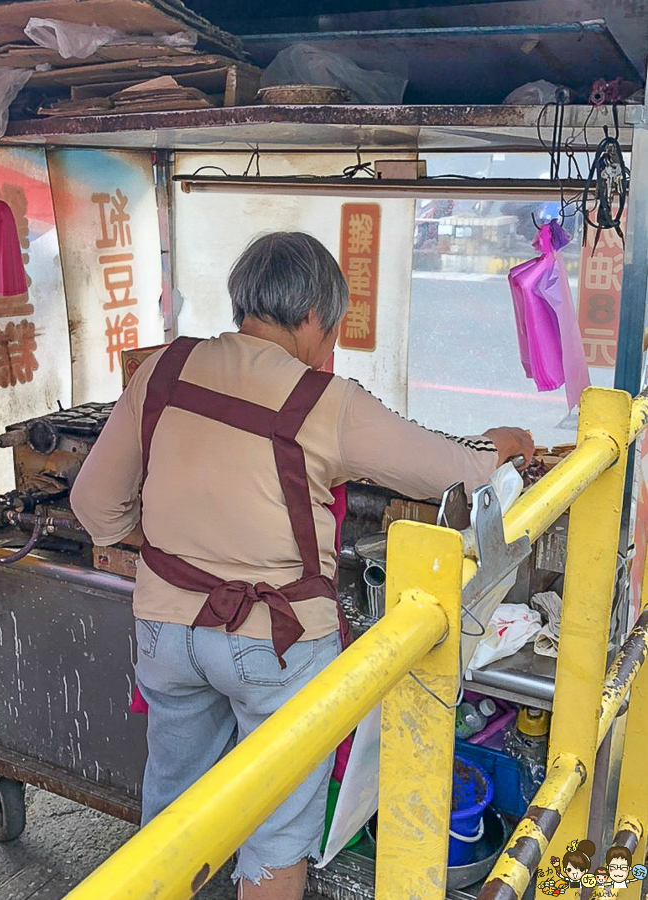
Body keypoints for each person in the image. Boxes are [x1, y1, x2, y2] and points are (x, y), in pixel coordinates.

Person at [71, 231, 534, 900]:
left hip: (167, 631)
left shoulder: (166, 368)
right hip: (278, 647)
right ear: (315, 316)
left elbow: (94, 505)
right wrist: (505, 445)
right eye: (335, 326)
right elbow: (457, 473)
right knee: (276, 831)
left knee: (174, 817)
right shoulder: (327, 402)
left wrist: (165, 546)